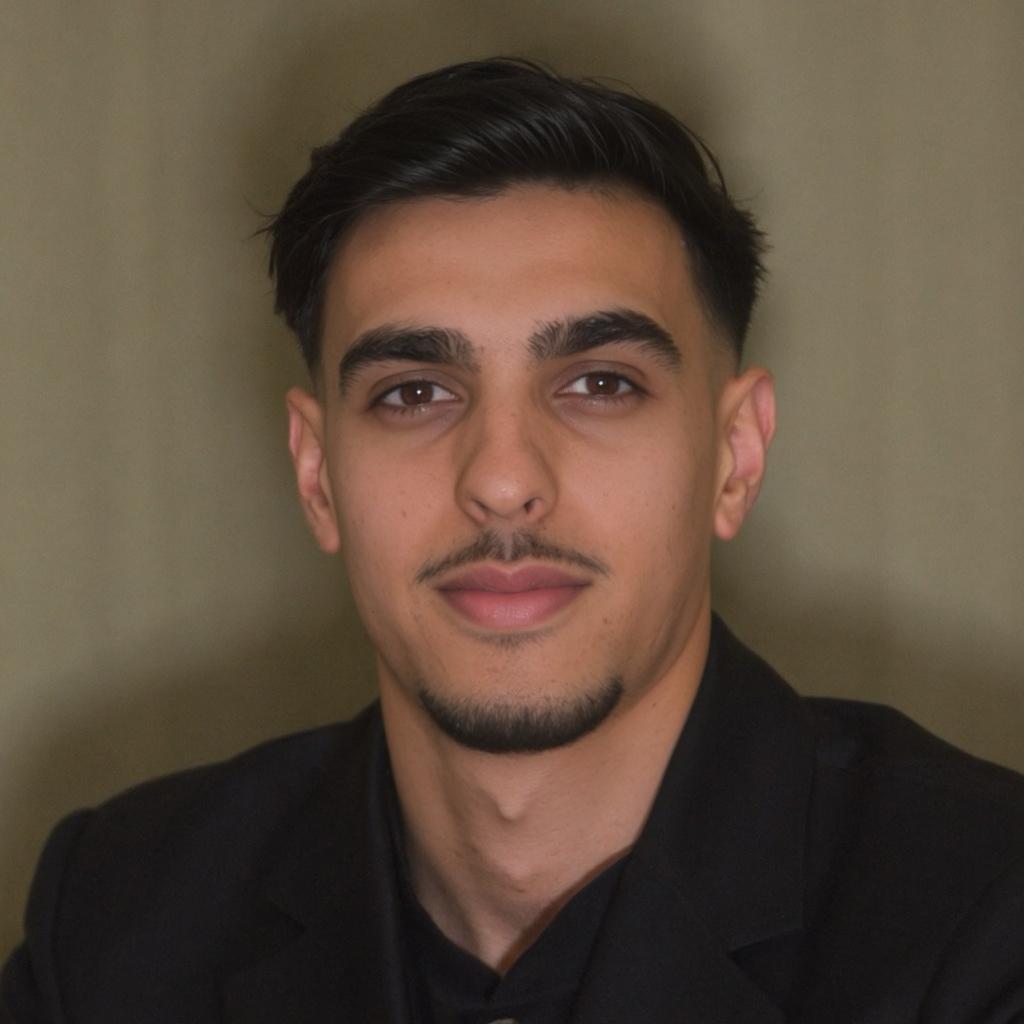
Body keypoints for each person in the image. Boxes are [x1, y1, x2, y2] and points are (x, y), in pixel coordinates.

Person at [3, 58, 1023, 1024]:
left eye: (599, 384)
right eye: (414, 393)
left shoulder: (985, 914)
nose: (500, 478)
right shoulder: (115, 925)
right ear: (317, 477)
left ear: (734, 456)